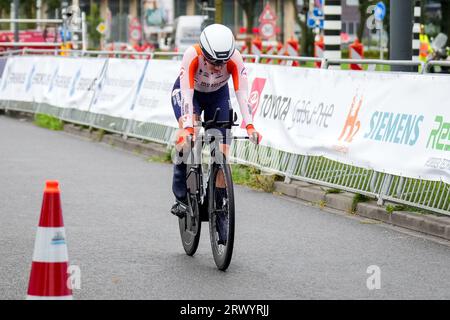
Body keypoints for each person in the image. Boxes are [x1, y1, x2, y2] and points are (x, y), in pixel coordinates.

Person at [170, 23, 262, 219]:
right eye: (213, 62)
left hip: (217, 95)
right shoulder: (191, 55)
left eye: (223, 63)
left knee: (222, 152)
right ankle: (180, 195)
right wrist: (187, 127)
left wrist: (251, 126)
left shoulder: (236, 59)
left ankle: (218, 203)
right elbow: (186, 96)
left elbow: (242, 94)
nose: (218, 67)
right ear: (203, 53)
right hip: (191, 94)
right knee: (187, 137)